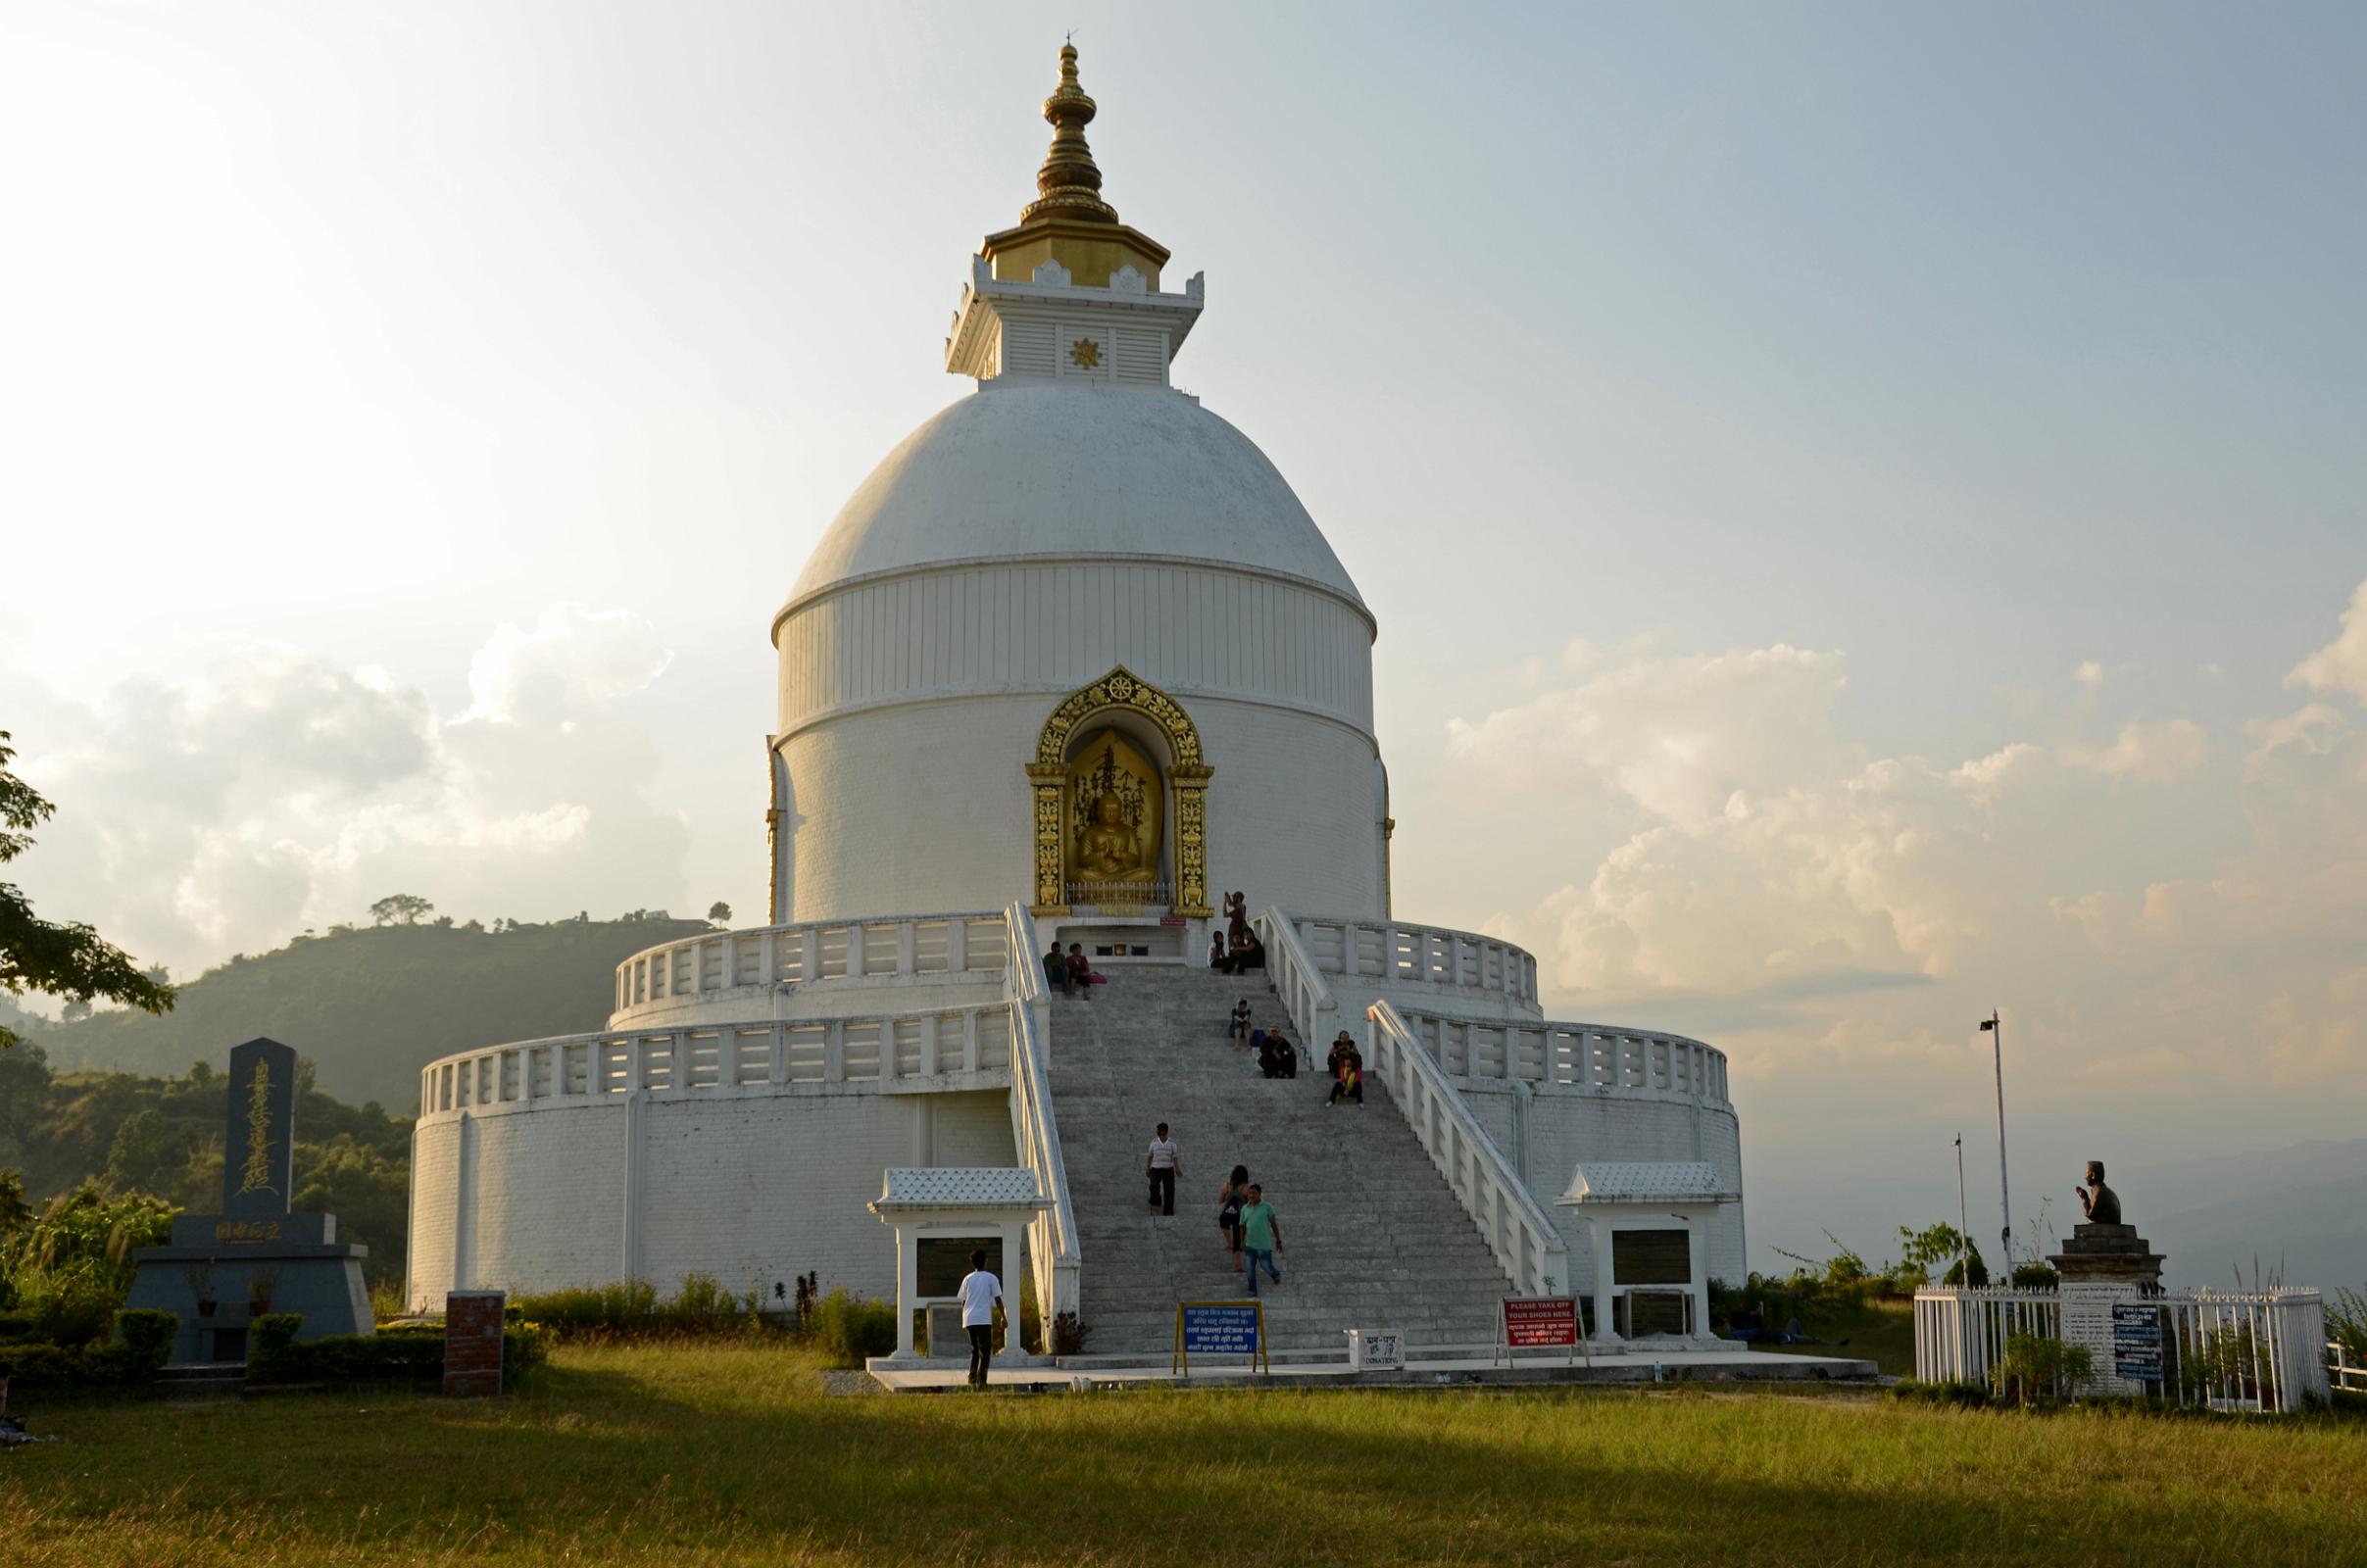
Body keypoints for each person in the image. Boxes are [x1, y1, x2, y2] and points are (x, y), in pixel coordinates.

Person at [955, 1249, 1006, 1388]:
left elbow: (963, 1301)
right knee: (985, 1351)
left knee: (975, 1350)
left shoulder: (967, 1278)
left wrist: (965, 1316)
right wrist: (1003, 1316)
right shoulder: (991, 1278)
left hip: (969, 1318)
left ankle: (972, 1379)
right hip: (982, 1319)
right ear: (985, 1261)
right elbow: (998, 1299)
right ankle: (982, 1381)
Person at [1239, 1182, 1283, 1297]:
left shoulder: (1267, 1207)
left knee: (1265, 1265)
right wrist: (1241, 1241)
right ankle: (1252, 1291)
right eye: (1249, 1193)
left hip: (1263, 1245)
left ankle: (1275, 1274)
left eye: (1254, 1193)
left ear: (1260, 1194)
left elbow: (1274, 1224)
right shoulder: (1245, 1208)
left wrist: (1278, 1240)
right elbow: (1242, 1226)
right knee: (1250, 1269)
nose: (1251, 1196)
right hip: (1249, 1245)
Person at [1215, 1164, 1251, 1273]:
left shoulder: (1226, 1185)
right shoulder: (1246, 1187)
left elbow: (1220, 1200)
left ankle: (1229, 1243)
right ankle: (1237, 1267)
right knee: (1238, 1241)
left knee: (1224, 1224)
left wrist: (1229, 1196)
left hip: (1226, 1215)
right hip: (1239, 1217)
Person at [1146, 1122, 1180, 1216]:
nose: (1162, 1136)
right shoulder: (1153, 1142)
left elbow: (1175, 1157)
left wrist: (1177, 1169)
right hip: (1155, 1169)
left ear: (1166, 1133)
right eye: (1160, 1134)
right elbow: (1149, 1156)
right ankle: (1156, 1200)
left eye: (1163, 1134)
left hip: (1168, 1169)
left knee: (1169, 1190)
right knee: (1153, 1186)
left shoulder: (1172, 1143)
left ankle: (1168, 1211)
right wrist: (1147, 1168)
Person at [1327, 1033, 1363, 1106]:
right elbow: (1330, 1053)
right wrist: (1338, 1049)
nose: (1344, 1041)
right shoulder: (1337, 1044)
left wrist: (1350, 1050)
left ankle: (1360, 1102)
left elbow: (1357, 1053)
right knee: (1331, 1058)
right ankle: (1331, 1101)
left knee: (1358, 1084)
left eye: (1346, 1039)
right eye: (1343, 1039)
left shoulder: (1351, 1043)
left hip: (1352, 1088)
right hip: (1339, 1062)